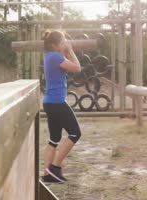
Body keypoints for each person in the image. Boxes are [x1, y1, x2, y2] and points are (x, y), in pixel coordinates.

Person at [41, 30, 82, 183]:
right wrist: (70, 50)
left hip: (49, 102)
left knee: (54, 139)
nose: (65, 43)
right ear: (54, 45)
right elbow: (77, 68)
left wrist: (66, 51)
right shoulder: (56, 56)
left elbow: (69, 66)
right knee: (75, 133)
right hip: (57, 103)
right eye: (63, 42)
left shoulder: (49, 56)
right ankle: (55, 168)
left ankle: (47, 174)